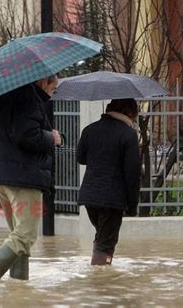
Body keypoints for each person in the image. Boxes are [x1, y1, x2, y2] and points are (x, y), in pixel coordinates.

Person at [0, 75, 61, 281]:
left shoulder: (4, 100)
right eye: (53, 88)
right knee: (25, 236)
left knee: (18, 235)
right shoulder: (29, 100)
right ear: (42, 82)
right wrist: (53, 138)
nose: (53, 93)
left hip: (4, 180)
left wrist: (3, 164)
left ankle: (19, 287)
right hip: (24, 180)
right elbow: (27, 135)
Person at [76, 98, 141, 265]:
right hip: (112, 199)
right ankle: (101, 284)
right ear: (129, 112)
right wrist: (132, 206)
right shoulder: (128, 135)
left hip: (90, 198)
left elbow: (81, 158)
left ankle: (98, 276)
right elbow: (132, 174)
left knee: (102, 237)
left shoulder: (90, 129)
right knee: (106, 243)